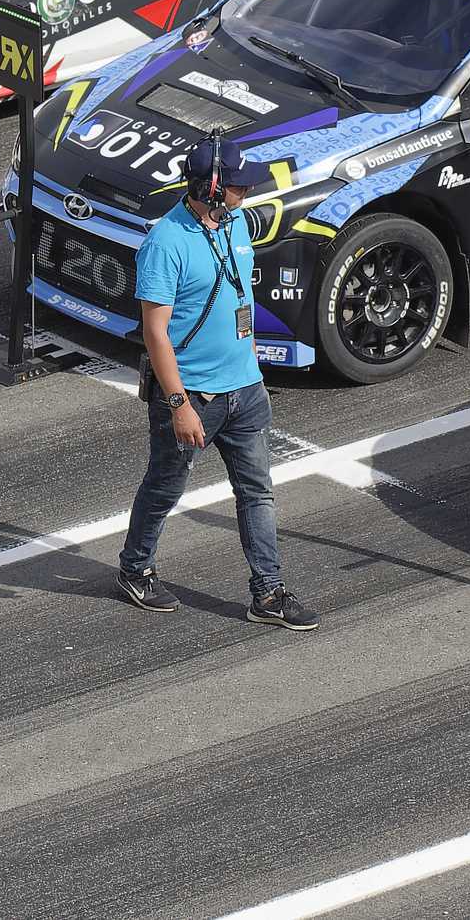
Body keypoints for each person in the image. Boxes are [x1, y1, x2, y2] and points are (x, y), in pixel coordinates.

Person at [117, 141, 317, 630]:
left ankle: (268, 594)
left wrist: (251, 363)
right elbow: (155, 332)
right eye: (237, 183)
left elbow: (240, 296)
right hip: (194, 398)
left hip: (245, 391)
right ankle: (134, 568)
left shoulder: (237, 224)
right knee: (164, 488)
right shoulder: (166, 243)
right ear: (210, 188)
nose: (247, 189)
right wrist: (179, 404)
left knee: (258, 494)